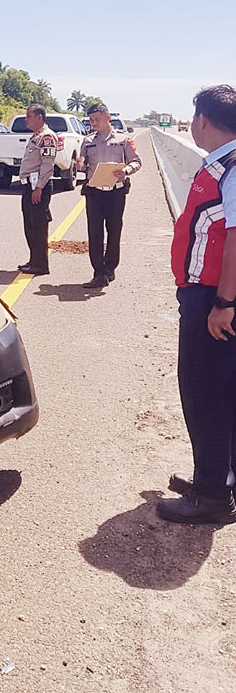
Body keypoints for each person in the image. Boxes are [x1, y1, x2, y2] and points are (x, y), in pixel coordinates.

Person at [157, 85, 236, 524]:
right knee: (224, 392)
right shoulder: (221, 165)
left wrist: (224, 302)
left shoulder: (232, 167)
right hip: (211, 295)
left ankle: (210, 495)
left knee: (205, 392)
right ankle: (220, 478)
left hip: (214, 299)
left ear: (203, 120)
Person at [77, 103, 142, 289]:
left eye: (97, 119)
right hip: (94, 192)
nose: (93, 123)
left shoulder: (123, 139)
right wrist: (80, 163)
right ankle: (98, 272)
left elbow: (136, 161)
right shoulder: (88, 140)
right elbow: (82, 161)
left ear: (108, 118)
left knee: (114, 231)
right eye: (91, 120)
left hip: (116, 192)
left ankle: (110, 267)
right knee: (94, 232)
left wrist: (126, 170)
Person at [17, 104, 58, 275]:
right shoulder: (36, 136)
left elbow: (47, 165)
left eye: (29, 116)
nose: (26, 119)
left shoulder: (47, 137)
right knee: (30, 225)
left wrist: (39, 187)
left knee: (39, 225)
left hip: (38, 187)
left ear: (39, 117)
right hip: (29, 185)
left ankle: (41, 264)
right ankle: (34, 259)